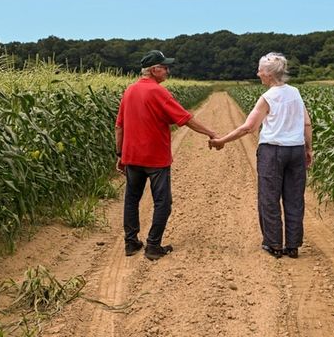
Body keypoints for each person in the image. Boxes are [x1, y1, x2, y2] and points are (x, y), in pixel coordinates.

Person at [115, 50, 217, 260]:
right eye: (165, 67)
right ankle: (153, 246)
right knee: (163, 201)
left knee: (131, 199)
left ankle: (131, 243)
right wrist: (210, 133)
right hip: (155, 158)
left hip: (131, 156)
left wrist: (119, 153)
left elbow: (119, 127)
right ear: (154, 70)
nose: (168, 70)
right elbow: (185, 118)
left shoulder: (129, 91)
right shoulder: (159, 92)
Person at [209, 52, 313, 259]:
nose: (258, 74)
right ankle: (292, 246)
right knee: (294, 198)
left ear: (268, 74)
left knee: (269, 198)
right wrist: (308, 149)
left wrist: (221, 141)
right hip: (296, 150)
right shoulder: (295, 92)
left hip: (273, 151)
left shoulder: (268, 97)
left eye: (260, 71)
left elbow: (249, 127)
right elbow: (307, 123)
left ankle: (274, 244)